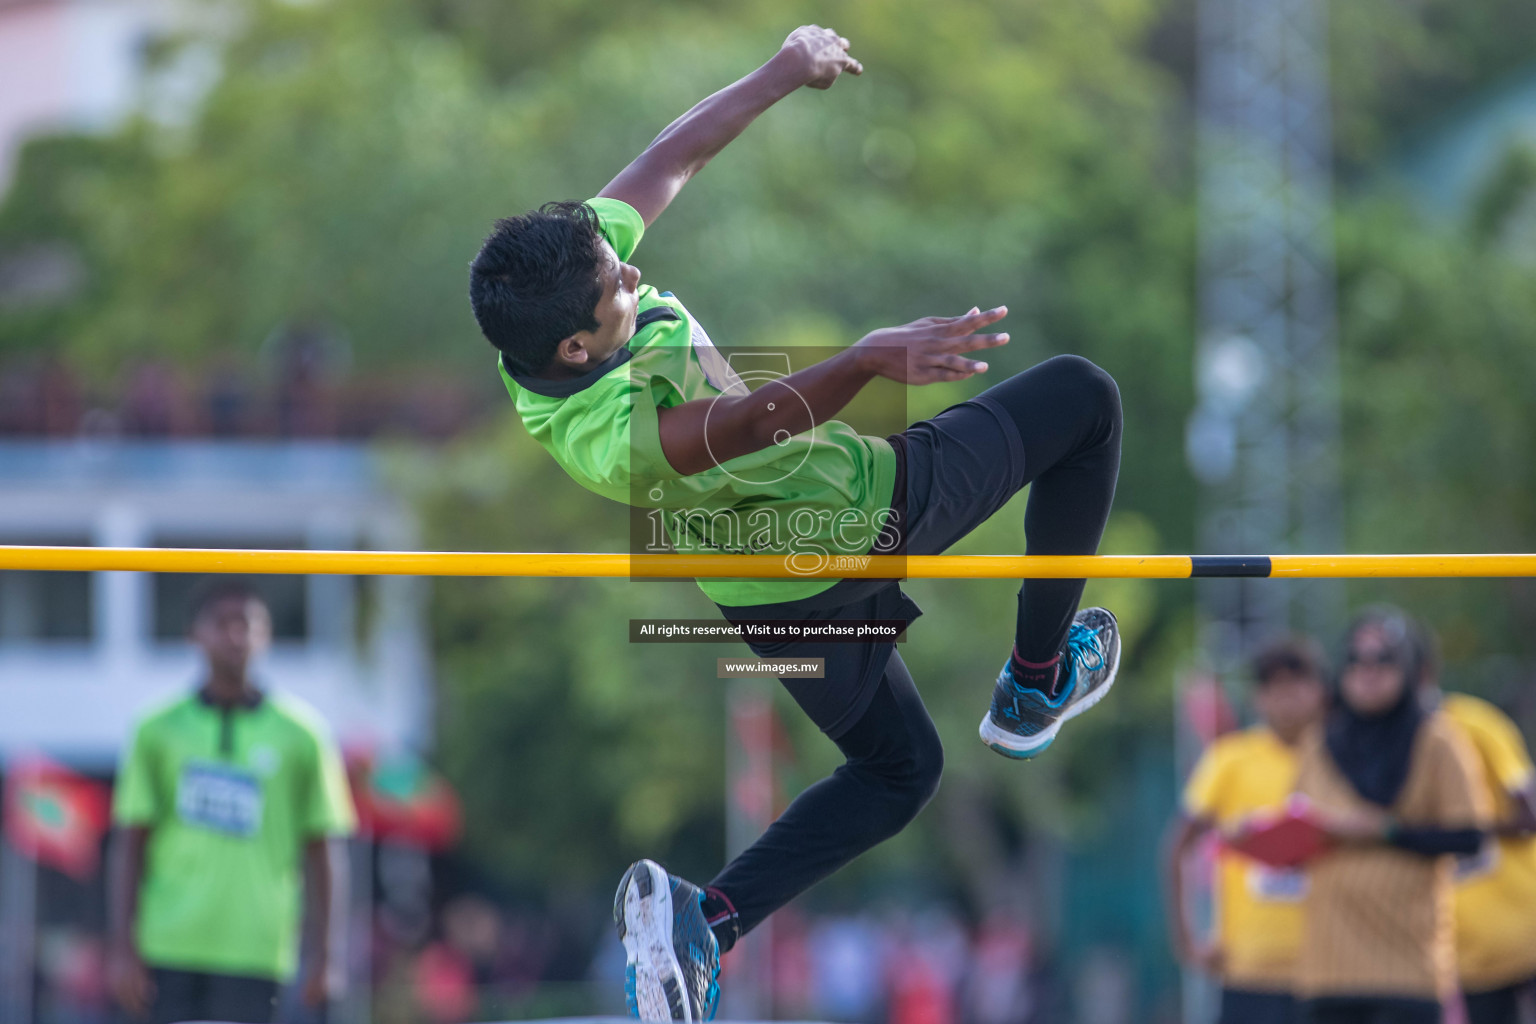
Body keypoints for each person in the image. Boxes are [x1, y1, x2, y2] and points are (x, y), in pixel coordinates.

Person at [467, 24, 1123, 1023]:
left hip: (765, 591)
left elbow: (668, 161)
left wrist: (783, 71)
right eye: (617, 291)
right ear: (573, 343)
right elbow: (749, 419)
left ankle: (707, 923)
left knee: (901, 772)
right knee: (1083, 399)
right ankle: (1036, 685)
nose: (632, 278)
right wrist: (867, 359)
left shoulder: (558, 297)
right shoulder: (610, 437)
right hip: (852, 515)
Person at [107, 577, 356, 1024]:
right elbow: (130, 842)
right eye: (221, 623)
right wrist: (123, 948)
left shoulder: (303, 735)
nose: (234, 635)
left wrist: (329, 955)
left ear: (267, 635)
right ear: (194, 635)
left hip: (258, 948)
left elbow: (325, 847)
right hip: (169, 945)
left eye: (246, 623)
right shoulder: (155, 730)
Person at [1293, 608, 1490, 1024]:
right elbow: (1297, 833)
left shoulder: (1437, 739)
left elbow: (1471, 837)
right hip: (1326, 971)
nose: (1368, 672)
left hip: (1408, 969)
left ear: (1410, 669)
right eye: (1355, 660)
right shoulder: (1318, 742)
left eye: (1383, 660)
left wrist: (1385, 830)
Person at [1165, 636, 1329, 1024]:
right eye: (1274, 685)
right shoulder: (1230, 760)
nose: (1287, 696)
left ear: (1321, 690)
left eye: (1298, 683)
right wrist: (1187, 940)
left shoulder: (1343, 759)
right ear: (1258, 696)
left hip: (1331, 968)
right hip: (1248, 969)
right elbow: (1178, 847)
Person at [1419, 634, 1536, 1024]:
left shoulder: (1472, 721)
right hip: (1463, 954)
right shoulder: (1382, 740)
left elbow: (1529, 813)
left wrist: (1465, 829)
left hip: (1524, 926)